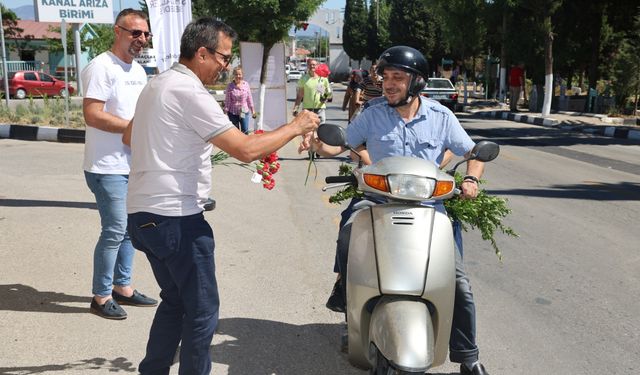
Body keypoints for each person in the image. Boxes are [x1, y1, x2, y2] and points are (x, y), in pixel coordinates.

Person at [122, 18, 319, 375]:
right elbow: (244, 150)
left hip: (143, 216)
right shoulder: (190, 91)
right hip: (175, 220)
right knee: (202, 312)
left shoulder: (158, 83)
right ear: (201, 53)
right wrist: (296, 126)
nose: (226, 66)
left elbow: (128, 137)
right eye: (224, 58)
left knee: (175, 301)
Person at [302, 46, 490, 375]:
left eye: (397, 78)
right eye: (385, 77)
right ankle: (345, 292)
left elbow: (472, 151)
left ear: (416, 82)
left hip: (429, 207)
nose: (389, 84)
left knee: (457, 279)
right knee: (349, 233)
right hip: (377, 201)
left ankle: (468, 355)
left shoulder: (440, 117)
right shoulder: (372, 114)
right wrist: (318, 144)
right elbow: (342, 144)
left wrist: (472, 178)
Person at [81, 8, 157, 320]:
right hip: (105, 166)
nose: (141, 38)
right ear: (117, 31)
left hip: (131, 165)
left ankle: (122, 288)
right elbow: (92, 114)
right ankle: (100, 296)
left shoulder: (137, 71)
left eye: (145, 34)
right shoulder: (101, 67)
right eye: (135, 32)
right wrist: (132, 127)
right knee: (114, 230)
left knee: (127, 231)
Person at [293, 58, 332, 124]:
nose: (312, 66)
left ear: (317, 66)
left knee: (321, 131)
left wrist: (325, 97)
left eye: (314, 65)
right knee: (307, 133)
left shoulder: (322, 79)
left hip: (320, 109)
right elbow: (299, 96)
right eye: (310, 64)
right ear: (307, 66)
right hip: (307, 110)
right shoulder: (303, 79)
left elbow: (328, 94)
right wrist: (296, 108)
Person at [224, 66, 256, 134]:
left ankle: (246, 144)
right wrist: (226, 112)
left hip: (244, 111)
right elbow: (227, 100)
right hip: (233, 113)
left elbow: (249, 98)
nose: (238, 76)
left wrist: (253, 110)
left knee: (245, 130)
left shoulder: (246, 84)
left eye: (239, 74)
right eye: (236, 74)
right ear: (234, 75)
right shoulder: (230, 86)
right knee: (236, 133)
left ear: (242, 75)